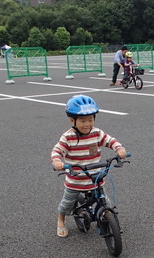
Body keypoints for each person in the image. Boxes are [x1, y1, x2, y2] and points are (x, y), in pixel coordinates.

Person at [51, 95, 127, 237]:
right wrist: (57, 161)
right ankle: (61, 220)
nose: (87, 124)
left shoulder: (97, 133)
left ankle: (104, 218)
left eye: (90, 120)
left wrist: (119, 149)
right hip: (76, 180)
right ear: (72, 120)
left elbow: (110, 140)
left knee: (106, 203)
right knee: (67, 204)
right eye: (82, 120)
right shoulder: (68, 137)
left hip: (96, 178)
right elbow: (57, 150)